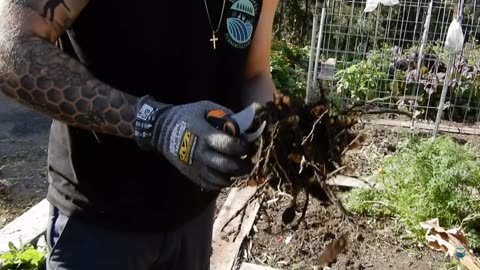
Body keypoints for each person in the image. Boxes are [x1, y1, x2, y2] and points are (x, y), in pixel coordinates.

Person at [0, 0, 278, 269]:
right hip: (99, 225)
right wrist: (155, 123)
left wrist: (274, 133)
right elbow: (10, 46)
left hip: (195, 220)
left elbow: (255, 74)